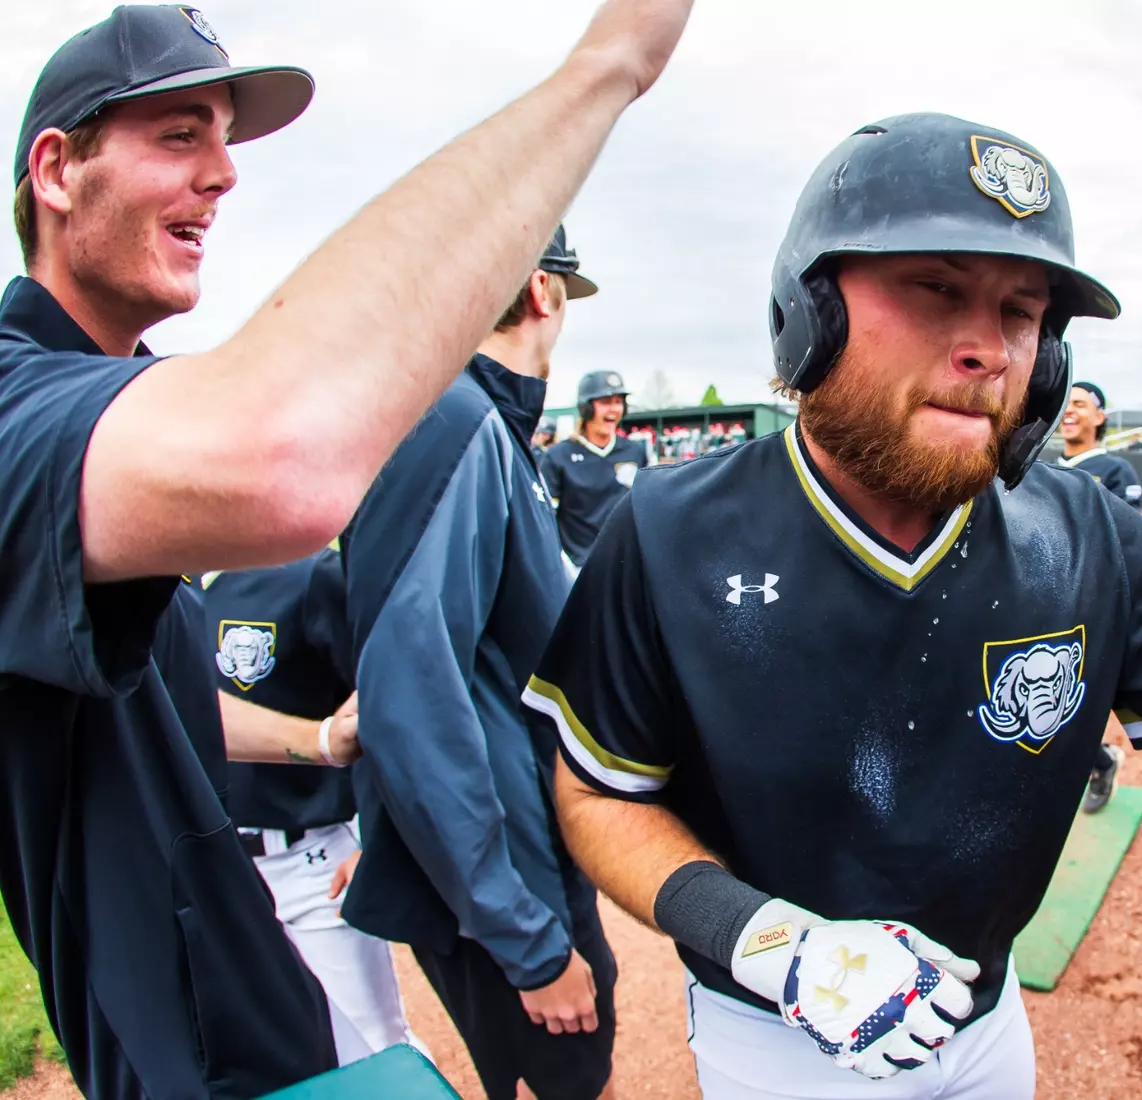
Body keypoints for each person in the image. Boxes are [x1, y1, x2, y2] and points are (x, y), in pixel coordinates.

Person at [519, 112, 1142, 1099]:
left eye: (1021, 310)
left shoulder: (1086, 533)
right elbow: (598, 794)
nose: (992, 347)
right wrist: (774, 945)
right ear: (811, 310)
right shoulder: (669, 532)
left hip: (991, 1012)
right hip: (774, 1029)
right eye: (935, 286)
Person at [0, 2, 690, 1096]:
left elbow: (167, 691)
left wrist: (325, 745)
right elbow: (288, 463)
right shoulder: (17, 405)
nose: (224, 173)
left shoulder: (93, 408)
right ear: (56, 169)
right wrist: (609, 65)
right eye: (181, 134)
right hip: (187, 1052)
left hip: (258, 1005)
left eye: (225, 141)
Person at [341, 229, 617, 1100]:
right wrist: (527, 939)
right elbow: (413, 698)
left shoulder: (477, 422)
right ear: (543, 290)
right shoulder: (457, 422)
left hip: (511, 858)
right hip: (510, 882)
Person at [204, 549, 424, 1064]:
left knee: (370, 1048)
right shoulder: (157, 589)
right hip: (210, 868)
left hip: (309, 862)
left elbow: (389, 707)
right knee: (253, 1059)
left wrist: (379, 834)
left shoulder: (304, 575)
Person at [1053, 380, 1136, 812]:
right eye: (1066, 403)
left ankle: (1102, 762)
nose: (1070, 411)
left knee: (1070, 712)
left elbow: (1127, 550)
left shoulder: (1117, 471)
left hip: (1091, 613)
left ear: (1100, 416)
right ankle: (1100, 759)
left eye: (1081, 404)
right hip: (1047, 607)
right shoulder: (1041, 467)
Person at [541, 367, 651, 570]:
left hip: (625, 564)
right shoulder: (558, 456)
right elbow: (544, 516)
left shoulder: (634, 452)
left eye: (618, 402)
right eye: (605, 402)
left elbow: (645, 509)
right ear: (586, 408)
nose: (614, 409)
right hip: (577, 567)